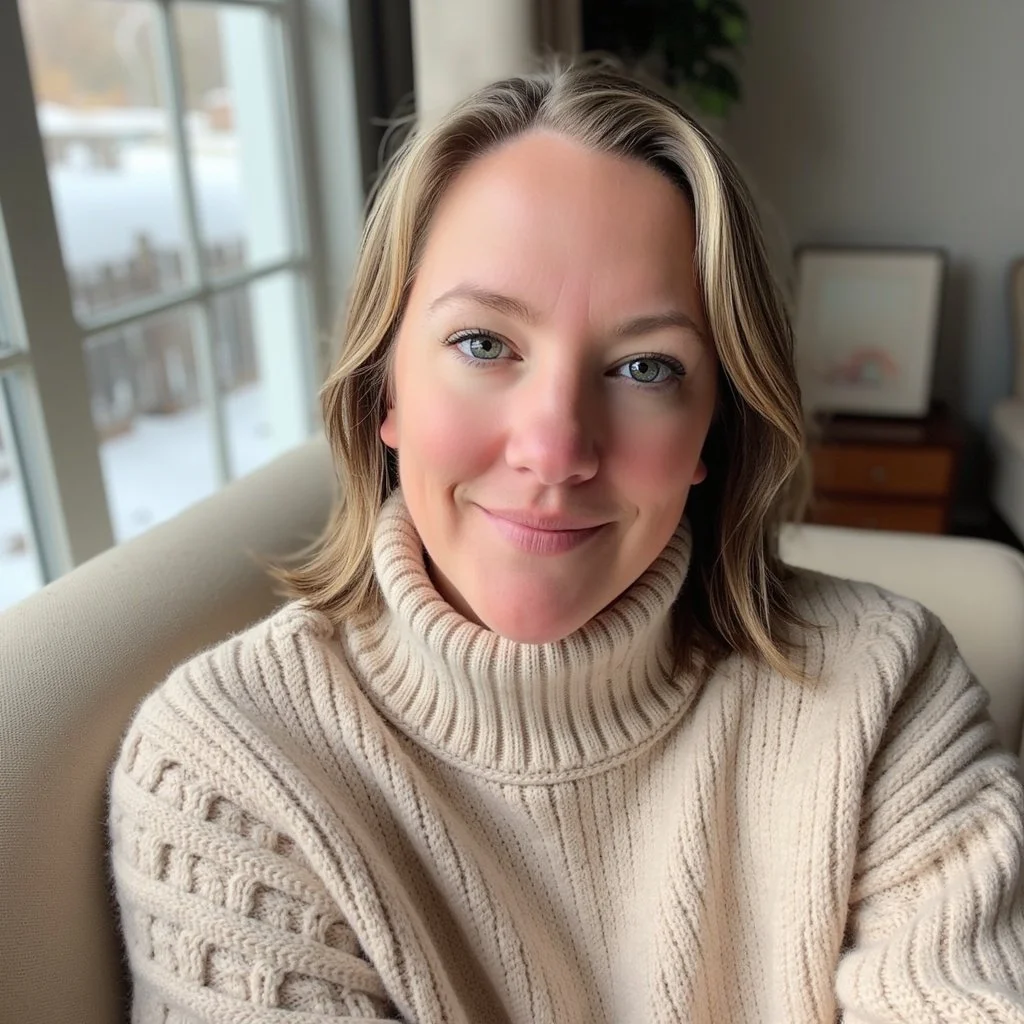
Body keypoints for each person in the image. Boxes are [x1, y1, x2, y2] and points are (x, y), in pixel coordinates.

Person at [108, 62, 1024, 1023]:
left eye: (645, 367)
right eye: (482, 343)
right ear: (386, 388)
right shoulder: (228, 772)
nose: (554, 451)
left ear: (711, 431)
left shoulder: (885, 690)